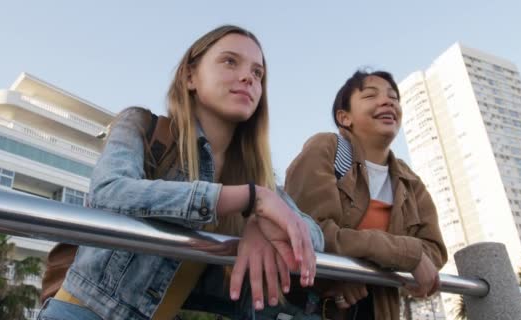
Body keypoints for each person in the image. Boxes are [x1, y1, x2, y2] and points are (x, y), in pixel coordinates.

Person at [37, 25, 324, 320]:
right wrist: (246, 200)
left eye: (258, 73)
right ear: (190, 76)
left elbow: (313, 234)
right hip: (85, 312)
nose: (247, 77)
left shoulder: (257, 179)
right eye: (230, 61)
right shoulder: (139, 124)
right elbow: (109, 192)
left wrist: (263, 224)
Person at [283, 70, 448, 319]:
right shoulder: (326, 148)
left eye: (394, 97)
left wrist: (363, 268)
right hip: (312, 306)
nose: (387, 101)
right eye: (371, 95)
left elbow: (434, 250)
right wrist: (405, 255)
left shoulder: (410, 181)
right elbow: (310, 233)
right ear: (344, 117)